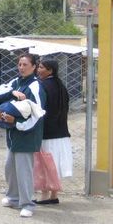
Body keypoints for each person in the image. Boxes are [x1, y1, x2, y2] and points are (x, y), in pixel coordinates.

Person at [0, 53, 46, 218]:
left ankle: (28, 204)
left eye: (25, 65)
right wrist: (12, 96)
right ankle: (13, 198)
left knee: (24, 171)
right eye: (19, 64)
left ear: (34, 67)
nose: (21, 67)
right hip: (13, 136)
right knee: (10, 168)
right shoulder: (15, 82)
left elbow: (37, 114)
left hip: (27, 135)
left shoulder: (35, 86)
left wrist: (15, 122)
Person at [34, 58, 73, 205]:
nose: (39, 70)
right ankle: (53, 194)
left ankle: (45, 194)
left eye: (42, 67)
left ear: (50, 70)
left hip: (47, 133)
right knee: (55, 163)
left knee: (45, 163)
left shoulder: (42, 85)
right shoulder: (61, 85)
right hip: (61, 131)